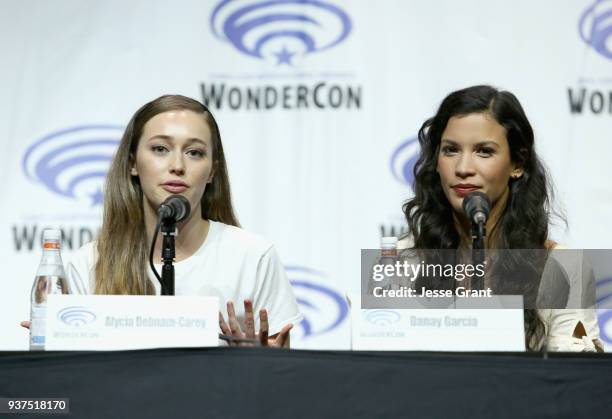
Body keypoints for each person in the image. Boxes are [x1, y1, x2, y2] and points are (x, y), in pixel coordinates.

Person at [22, 94, 301, 347]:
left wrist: (259, 363)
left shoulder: (252, 257)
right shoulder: (87, 264)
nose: (177, 166)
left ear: (212, 171)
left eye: (194, 152)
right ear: (132, 163)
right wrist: (51, 352)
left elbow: (286, 380)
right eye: (160, 149)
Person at [401, 85, 603, 352]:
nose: (463, 168)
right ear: (436, 161)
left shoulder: (562, 267)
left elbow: (573, 381)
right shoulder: (403, 260)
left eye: (484, 151)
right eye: (450, 150)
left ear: (517, 164)